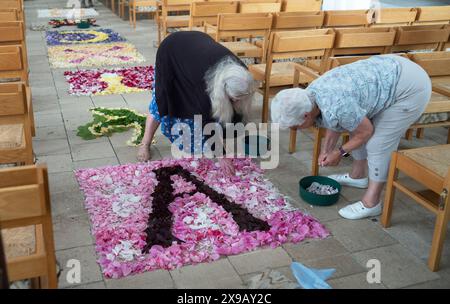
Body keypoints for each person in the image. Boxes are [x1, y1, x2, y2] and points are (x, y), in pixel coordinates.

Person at [271, 54, 431, 220]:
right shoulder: (310, 95)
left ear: (306, 115)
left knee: (377, 144)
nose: (294, 130)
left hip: (409, 88)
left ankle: (372, 203)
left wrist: (339, 152)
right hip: (390, 72)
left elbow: (365, 131)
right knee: (355, 124)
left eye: (295, 126)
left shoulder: (338, 105)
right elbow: (336, 121)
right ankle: (358, 176)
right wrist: (327, 149)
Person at [137, 31, 256, 176]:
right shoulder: (205, 84)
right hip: (172, 51)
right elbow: (206, 118)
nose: (236, 102)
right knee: (162, 102)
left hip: (196, 51)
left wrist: (224, 143)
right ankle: (145, 143)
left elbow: (234, 110)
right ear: (221, 89)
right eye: (233, 98)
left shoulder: (242, 74)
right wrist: (221, 155)